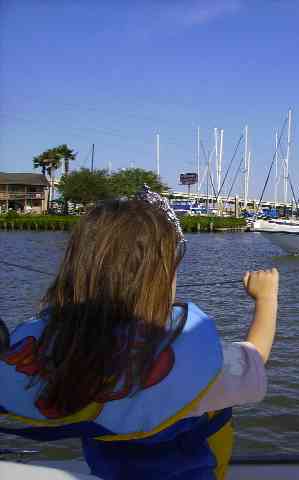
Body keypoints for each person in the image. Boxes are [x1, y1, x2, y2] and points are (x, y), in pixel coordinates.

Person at [0, 188, 279, 479]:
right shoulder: (187, 363)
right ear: (161, 276)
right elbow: (254, 356)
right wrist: (266, 299)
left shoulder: (63, 353)